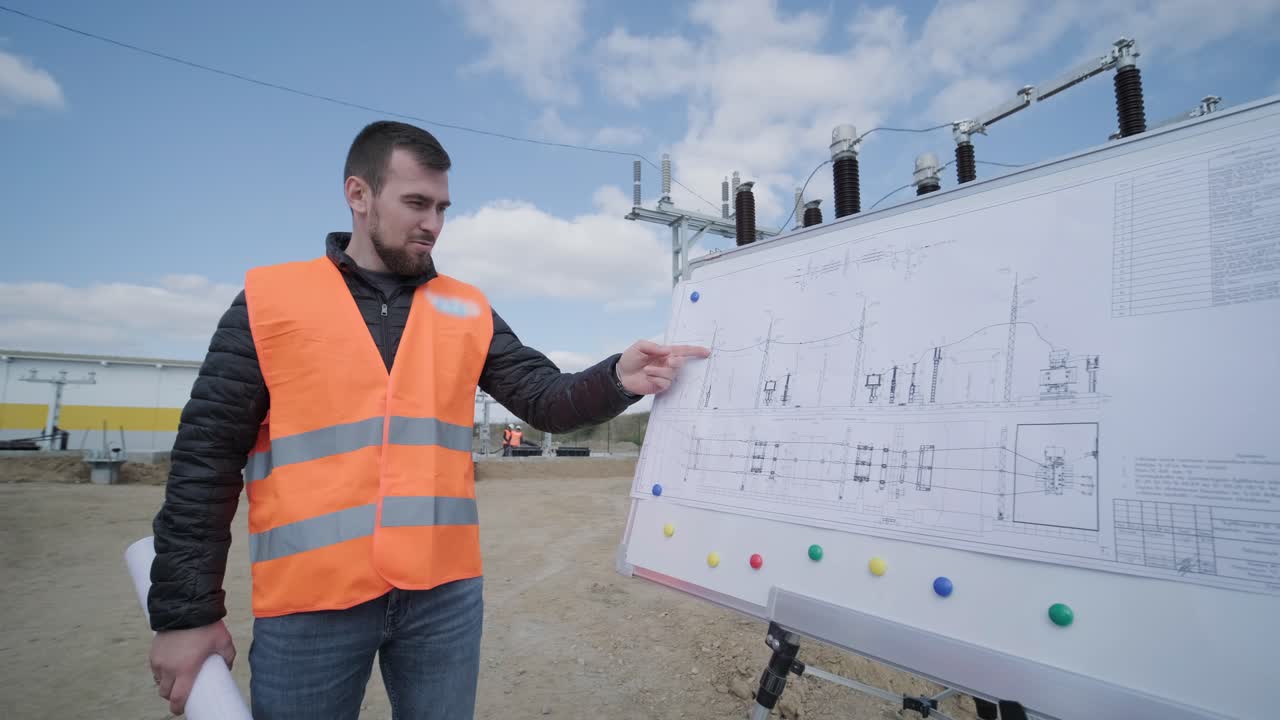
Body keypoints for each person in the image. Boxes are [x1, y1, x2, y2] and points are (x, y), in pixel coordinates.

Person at [146, 119, 709, 719]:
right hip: (309, 605)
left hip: (444, 598)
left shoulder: (466, 308)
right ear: (358, 195)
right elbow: (204, 462)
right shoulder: (269, 300)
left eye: (442, 207)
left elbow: (544, 397)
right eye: (416, 203)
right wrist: (187, 615)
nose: (433, 224)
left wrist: (617, 379)